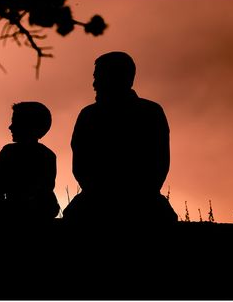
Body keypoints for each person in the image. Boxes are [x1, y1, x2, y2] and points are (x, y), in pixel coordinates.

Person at [63, 51, 177, 225]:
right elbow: (81, 165)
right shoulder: (89, 115)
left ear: (118, 78)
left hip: (136, 201)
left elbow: (158, 163)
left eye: (99, 77)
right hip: (115, 199)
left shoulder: (150, 113)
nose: (94, 84)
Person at [0, 102, 60, 224]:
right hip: (38, 212)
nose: (10, 127)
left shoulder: (8, 153)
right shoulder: (48, 155)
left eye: (15, 122)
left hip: (23, 213)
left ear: (28, 126)